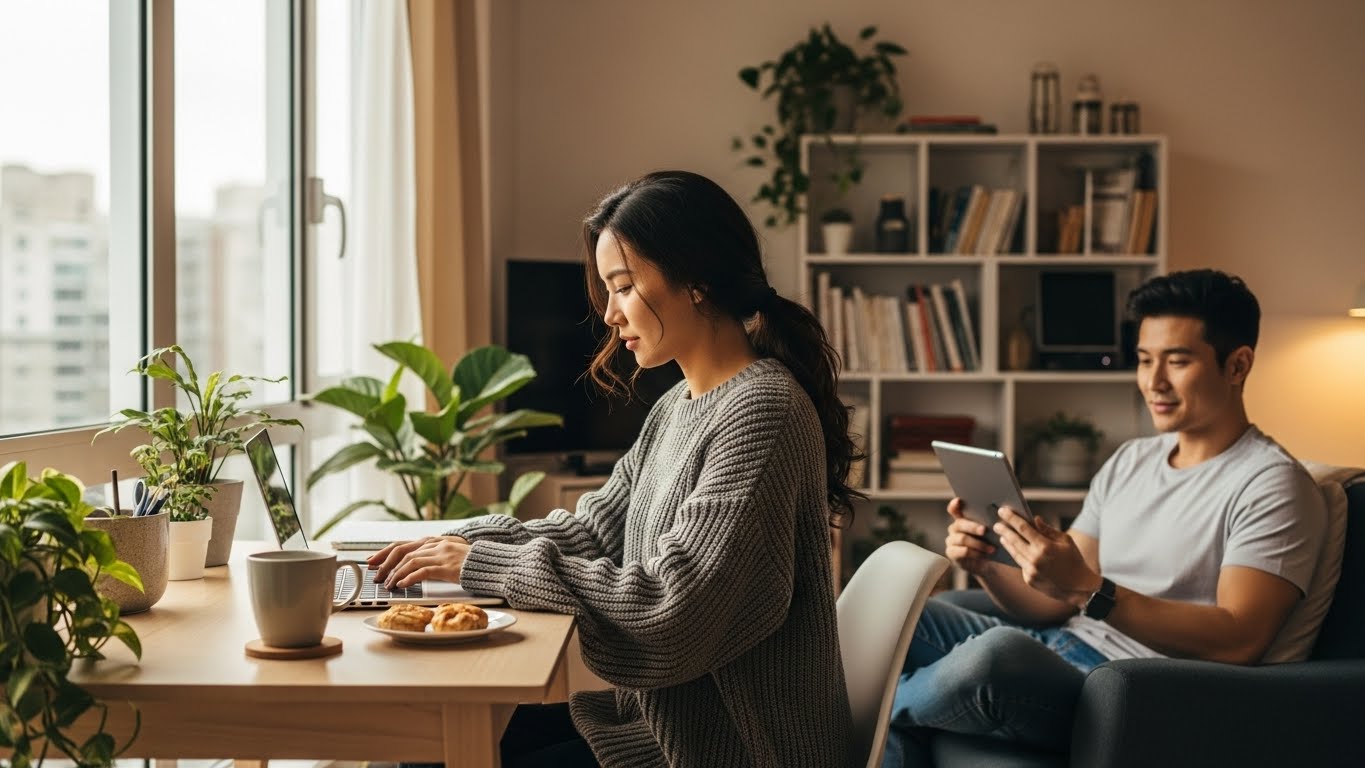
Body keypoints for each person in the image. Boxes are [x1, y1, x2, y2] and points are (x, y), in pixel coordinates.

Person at [372, 170, 858, 767]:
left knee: (430, 755)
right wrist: (453, 545)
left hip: (731, 749)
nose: (607, 314)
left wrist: (481, 564)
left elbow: (672, 612)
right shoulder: (677, 407)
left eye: (622, 286)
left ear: (696, 281)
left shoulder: (763, 412)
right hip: (656, 727)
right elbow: (592, 531)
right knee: (421, 741)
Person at [882, 269, 1338, 766]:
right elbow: (1051, 604)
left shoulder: (1272, 484)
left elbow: (1239, 638)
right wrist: (990, 565)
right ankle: (892, 710)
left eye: (1178, 361)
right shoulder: (1131, 460)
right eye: (1144, 361)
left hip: (1129, 689)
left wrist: (1088, 591)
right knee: (900, 614)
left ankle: (870, 710)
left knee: (992, 656)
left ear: (1237, 365)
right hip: (1057, 649)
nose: (1153, 382)